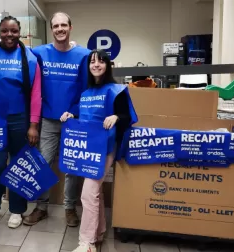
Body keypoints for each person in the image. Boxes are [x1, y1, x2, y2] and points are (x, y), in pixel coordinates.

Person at [61, 49, 137, 252]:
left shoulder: (116, 90)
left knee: (88, 194)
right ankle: (99, 232)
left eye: (100, 62)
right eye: (92, 62)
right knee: (96, 193)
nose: (96, 65)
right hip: (89, 150)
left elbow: (127, 115)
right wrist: (70, 115)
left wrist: (116, 117)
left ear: (107, 65)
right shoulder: (85, 93)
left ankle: (87, 243)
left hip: (106, 149)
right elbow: (83, 118)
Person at [25, 11, 90, 227]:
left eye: (64, 25)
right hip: (48, 119)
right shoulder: (40, 53)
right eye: (56, 26)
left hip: (74, 120)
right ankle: (41, 207)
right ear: (51, 29)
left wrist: (75, 110)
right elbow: (19, 58)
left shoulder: (84, 55)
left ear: (70, 28)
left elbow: (90, 89)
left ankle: (70, 208)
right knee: (43, 163)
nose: (60, 29)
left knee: (71, 166)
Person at [0, 16, 42, 228]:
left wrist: (33, 125)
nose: (9, 35)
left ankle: (17, 209)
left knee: (18, 164)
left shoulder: (29, 57)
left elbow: (36, 94)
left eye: (13, 31)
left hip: (19, 119)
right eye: (5, 30)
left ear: (20, 32)